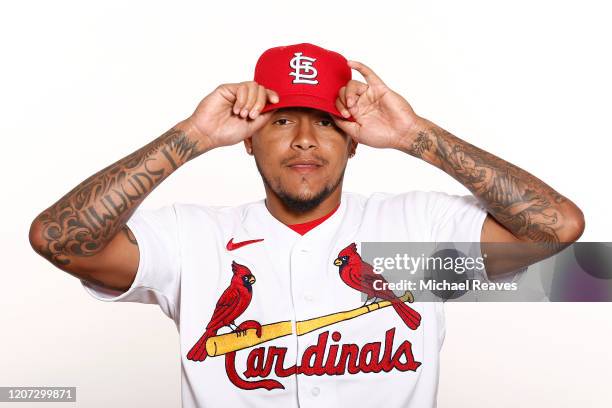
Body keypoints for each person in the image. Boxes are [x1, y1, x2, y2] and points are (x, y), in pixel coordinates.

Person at [29, 43, 584, 407]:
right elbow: (59, 239)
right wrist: (191, 136)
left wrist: (417, 136)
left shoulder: (415, 227)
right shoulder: (190, 239)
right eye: (282, 120)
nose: (304, 139)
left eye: (325, 121)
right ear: (247, 139)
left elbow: (557, 226)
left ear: (353, 140)